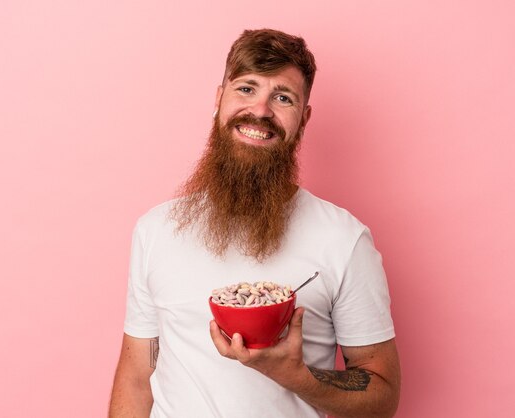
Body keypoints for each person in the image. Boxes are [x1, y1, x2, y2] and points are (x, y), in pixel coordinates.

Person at [109, 28, 401, 418]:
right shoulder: (156, 230)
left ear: (304, 118)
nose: (261, 110)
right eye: (246, 89)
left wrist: (295, 375)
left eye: (283, 97)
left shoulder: (344, 239)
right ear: (219, 99)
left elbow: (382, 398)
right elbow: (137, 374)